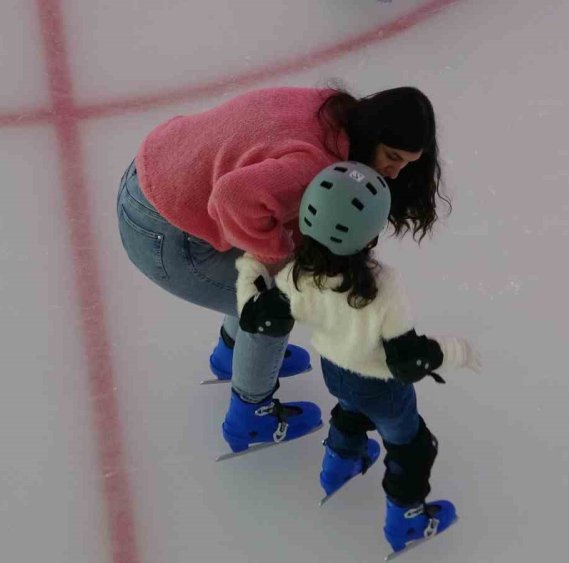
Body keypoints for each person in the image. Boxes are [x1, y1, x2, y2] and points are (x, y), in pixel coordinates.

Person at [116, 85, 447, 453]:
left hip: (155, 170)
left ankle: (230, 355)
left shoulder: (329, 108)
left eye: (407, 163)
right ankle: (251, 417)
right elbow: (232, 197)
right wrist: (278, 263)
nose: (396, 173)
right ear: (371, 133)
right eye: (392, 156)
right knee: (277, 305)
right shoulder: (313, 167)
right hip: (163, 232)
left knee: (270, 264)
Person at [235, 161, 480, 556]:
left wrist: (249, 270)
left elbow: (257, 317)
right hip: (383, 388)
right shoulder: (382, 286)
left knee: (350, 408)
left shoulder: (297, 273)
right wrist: (454, 351)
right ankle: (407, 520)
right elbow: (404, 361)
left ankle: (339, 464)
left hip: (335, 372)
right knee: (413, 447)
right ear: (371, 235)